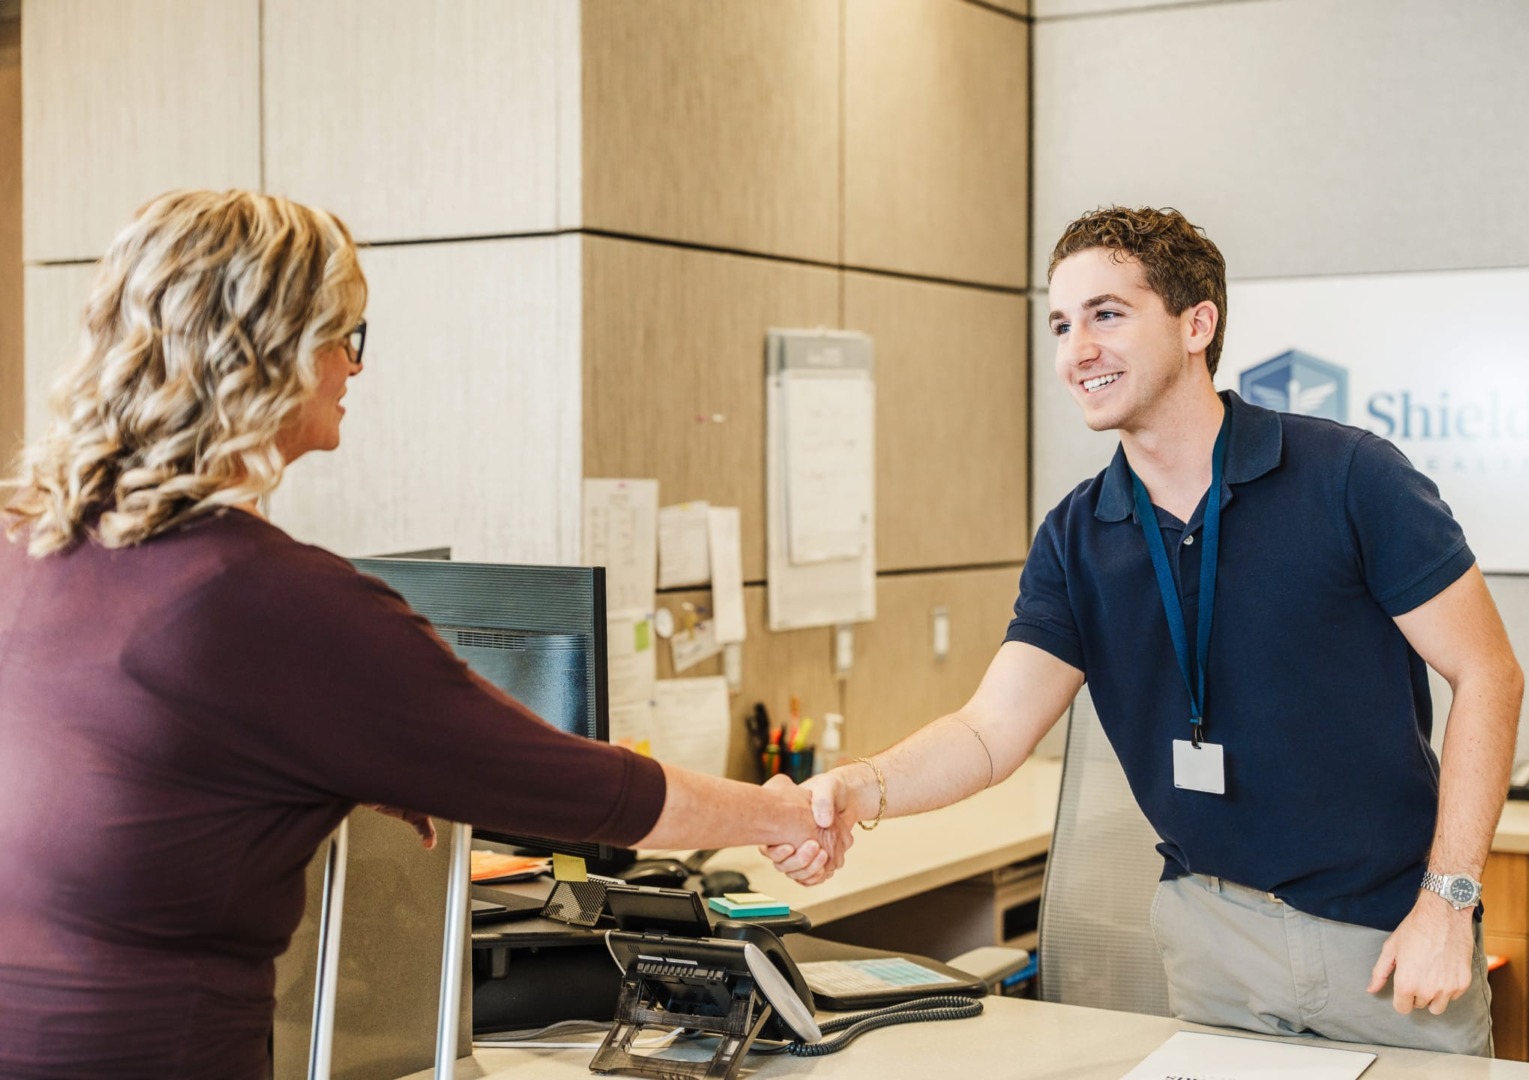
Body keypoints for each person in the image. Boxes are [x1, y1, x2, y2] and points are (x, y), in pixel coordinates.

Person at [0, 189, 850, 1079]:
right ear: (271, 355)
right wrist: (781, 810)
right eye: (344, 336)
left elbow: (112, 774)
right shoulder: (264, 599)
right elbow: (572, 786)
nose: (353, 369)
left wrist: (310, 771)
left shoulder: (32, 545)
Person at [768, 206, 1523, 1055]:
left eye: (1106, 314)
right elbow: (989, 731)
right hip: (1209, 936)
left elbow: (1487, 672)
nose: (1074, 350)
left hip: (1388, 934)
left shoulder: (1349, 477)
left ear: (1195, 324)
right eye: (1060, 323)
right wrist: (860, 787)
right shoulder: (1076, 535)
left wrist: (1446, 901)